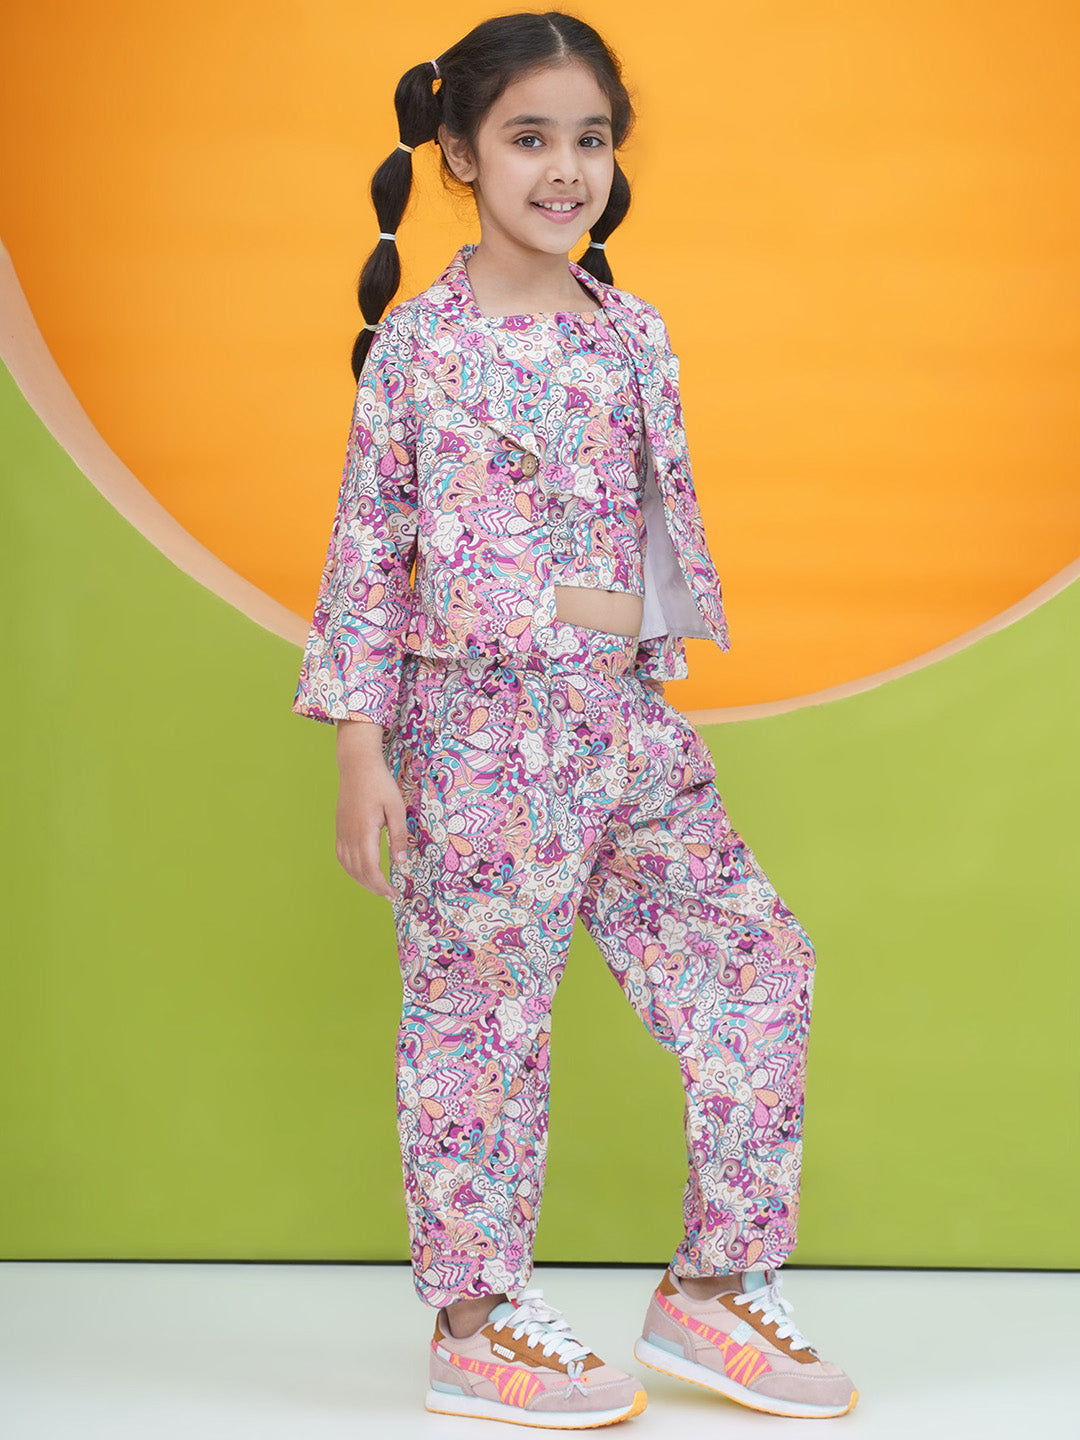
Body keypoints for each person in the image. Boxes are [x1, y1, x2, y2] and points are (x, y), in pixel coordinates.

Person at [292, 10, 858, 1428]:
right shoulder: (418, 350)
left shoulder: (632, 334)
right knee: (481, 1033)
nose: (565, 169)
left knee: (759, 967)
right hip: (476, 743)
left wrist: (621, 649)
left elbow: (647, 546)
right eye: (530, 138)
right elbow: (369, 551)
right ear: (458, 154)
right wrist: (360, 744)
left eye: (590, 140)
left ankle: (712, 1291)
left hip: (619, 728)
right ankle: (476, 1323)